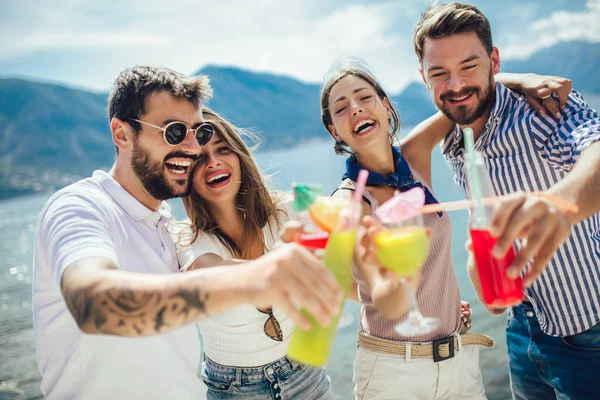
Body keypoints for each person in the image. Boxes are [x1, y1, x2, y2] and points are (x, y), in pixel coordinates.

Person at [32, 65, 342, 400]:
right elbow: (93, 303)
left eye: (200, 133)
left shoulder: (164, 224)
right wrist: (255, 277)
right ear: (122, 135)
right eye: (175, 132)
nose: (194, 149)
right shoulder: (79, 207)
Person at [411, 3, 600, 399]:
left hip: (590, 335)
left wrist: (560, 202)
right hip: (522, 331)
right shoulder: (453, 138)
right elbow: (403, 152)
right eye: (439, 73)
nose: (456, 84)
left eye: (469, 66)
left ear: (493, 59)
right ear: (423, 78)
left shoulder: (540, 111)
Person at [173, 107, 335, 399]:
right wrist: (279, 267)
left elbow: (335, 215)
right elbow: (209, 273)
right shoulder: (188, 240)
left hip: (305, 375)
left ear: (239, 156)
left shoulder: (286, 210)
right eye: (198, 158)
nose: (213, 162)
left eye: (223, 149)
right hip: (235, 389)